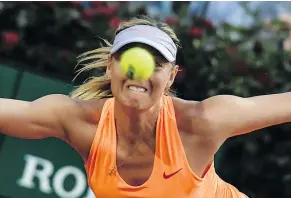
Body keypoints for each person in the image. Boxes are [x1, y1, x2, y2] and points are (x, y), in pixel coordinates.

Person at [1, 15, 289, 198]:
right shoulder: (79, 122)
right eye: (131, 60)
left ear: (171, 76)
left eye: (157, 64)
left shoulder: (200, 122)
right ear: (111, 65)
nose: (140, 72)